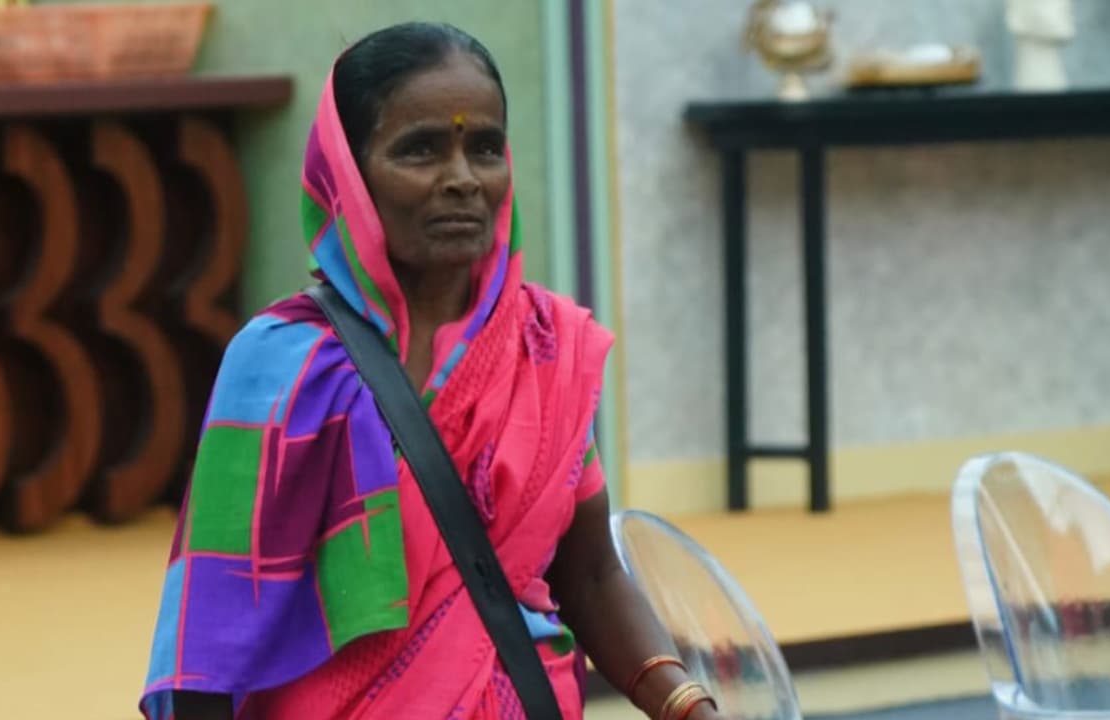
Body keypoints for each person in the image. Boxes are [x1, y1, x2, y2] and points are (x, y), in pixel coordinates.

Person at [138, 21, 721, 720]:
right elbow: (217, 624)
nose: (463, 180)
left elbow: (591, 573)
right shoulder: (284, 364)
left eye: (485, 148)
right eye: (420, 150)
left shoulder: (542, 349)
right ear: (348, 174)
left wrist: (686, 705)